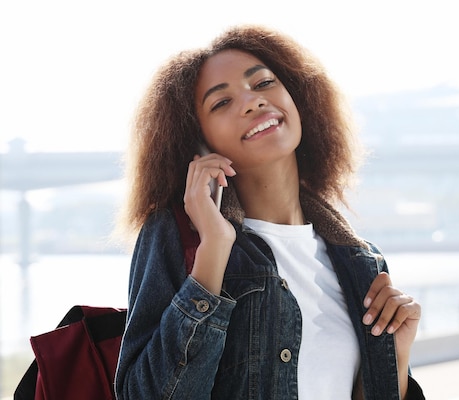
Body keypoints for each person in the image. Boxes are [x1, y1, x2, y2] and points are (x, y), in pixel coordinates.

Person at [114, 24, 425, 400]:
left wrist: (396, 356)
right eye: (221, 102)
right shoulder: (177, 236)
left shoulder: (361, 262)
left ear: (299, 98)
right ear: (197, 141)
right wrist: (214, 246)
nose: (252, 101)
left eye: (262, 84)